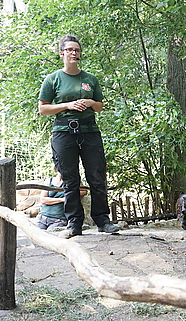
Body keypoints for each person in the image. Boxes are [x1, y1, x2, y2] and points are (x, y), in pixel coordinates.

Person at [38, 34, 119, 238]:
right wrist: (68, 105)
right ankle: (74, 224)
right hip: (64, 133)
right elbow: (43, 109)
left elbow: (100, 107)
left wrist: (90, 103)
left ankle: (103, 221)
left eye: (77, 50)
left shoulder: (90, 79)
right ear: (61, 54)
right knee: (70, 179)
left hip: (89, 131)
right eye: (70, 50)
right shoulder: (53, 79)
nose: (74, 53)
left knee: (97, 176)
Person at [36, 165, 88, 231]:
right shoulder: (49, 181)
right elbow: (43, 200)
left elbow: (84, 191)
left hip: (59, 220)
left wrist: (70, 195)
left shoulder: (73, 181)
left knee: (51, 235)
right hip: (42, 217)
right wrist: (62, 199)